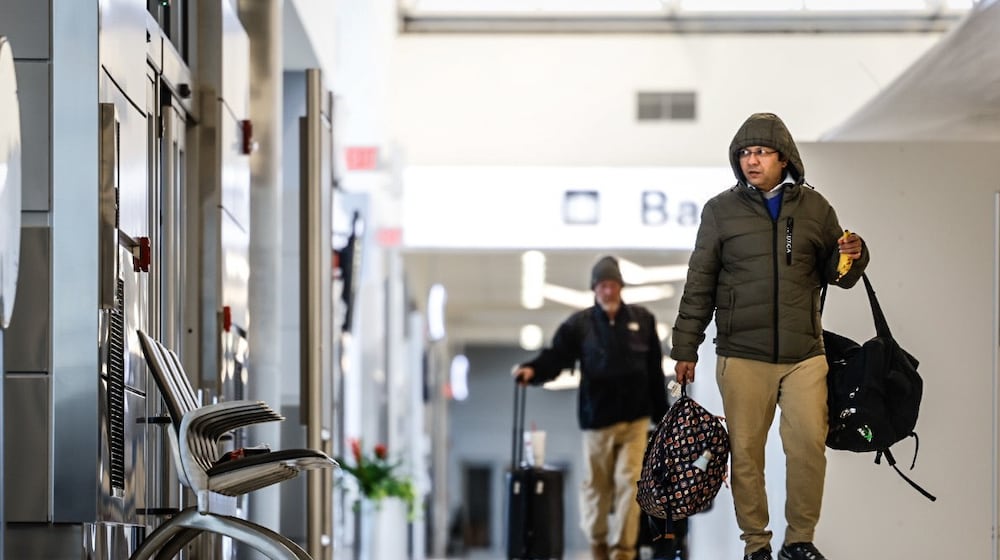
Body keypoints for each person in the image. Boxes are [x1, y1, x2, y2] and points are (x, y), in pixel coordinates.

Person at [670, 112, 869, 560]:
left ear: (785, 158)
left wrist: (855, 256)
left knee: (808, 451)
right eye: (744, 153)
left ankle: (799, 541)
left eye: (760, 152)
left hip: (804, 353)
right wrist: (685, 348)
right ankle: (756, 545)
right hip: (742, 354)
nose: (751, 161)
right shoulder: (720, 211)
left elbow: (840, 274)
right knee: (746, 455)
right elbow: (699, 283)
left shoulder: (816, 209)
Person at [513, 255, 668, 560]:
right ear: (594, 289)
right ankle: (598, 543)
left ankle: (623, 551)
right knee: (597, 488)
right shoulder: (580, 325)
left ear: (620, 287)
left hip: (636, 419)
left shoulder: (643, 321)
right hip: (597, 421)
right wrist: (533, 370)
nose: (607, 291)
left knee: (630, 483)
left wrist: (662, 418)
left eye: (612, 285)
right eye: (601, 286)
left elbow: (653, 371)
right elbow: (556, 356)